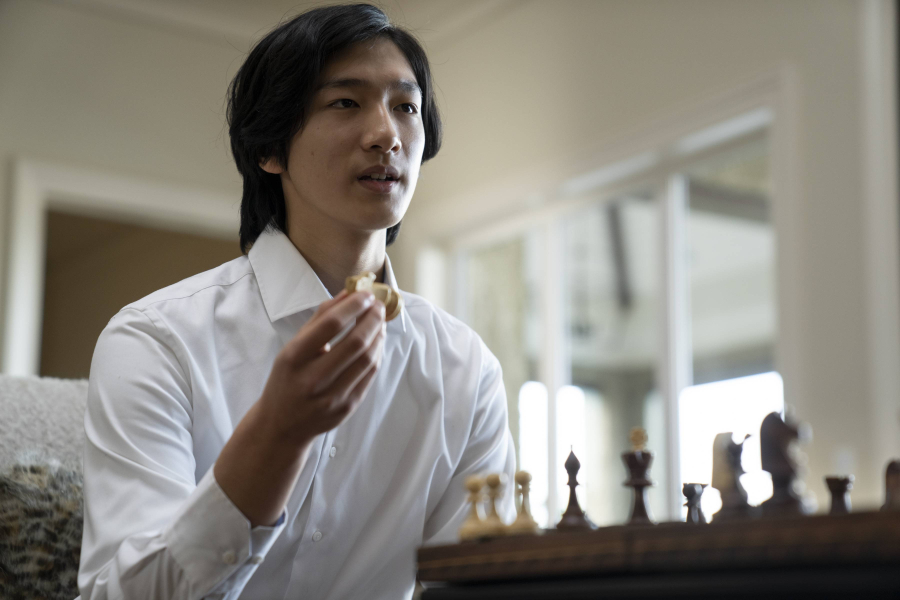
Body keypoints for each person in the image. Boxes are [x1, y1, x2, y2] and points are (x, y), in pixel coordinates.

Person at [76, 4, 516, 599]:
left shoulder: (466, 370)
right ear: (270, 148)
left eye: (405, 107)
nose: (386, 135)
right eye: (346, 102)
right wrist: (276, 436)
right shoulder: (156, 340)